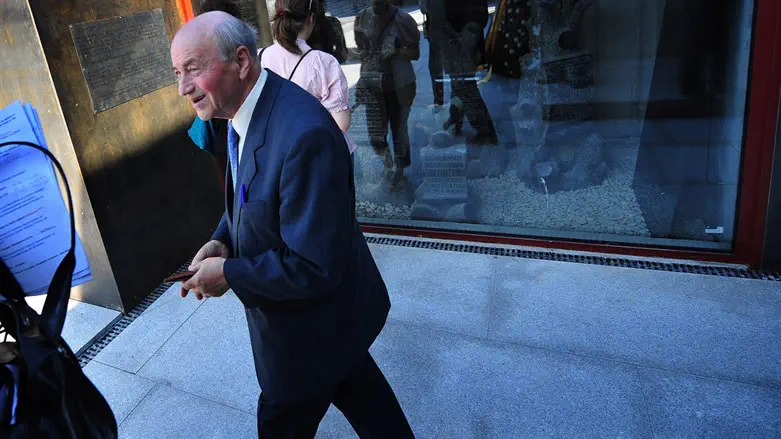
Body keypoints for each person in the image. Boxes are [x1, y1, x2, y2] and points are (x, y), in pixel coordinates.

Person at [170, 11, 414, 438]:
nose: (183, 87)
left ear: (242, 61)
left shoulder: (304, 135)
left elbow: (314, 266)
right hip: (332, 325)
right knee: (363, 393)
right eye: (177, 72)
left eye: (194, 68)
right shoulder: (244, 114)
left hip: (305, 333)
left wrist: (228, 274)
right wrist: (222, 241)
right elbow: (253, 194)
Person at [260, 0, 356, 154]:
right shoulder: (323, 62)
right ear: (311, 19)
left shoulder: (260, 58)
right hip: (323, 155)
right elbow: (341, 123)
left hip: (280, 156)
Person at [354, 0, 420, 190]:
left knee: (399, 131)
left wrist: (398, 50)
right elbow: (363, 53)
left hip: (398, 84)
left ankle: (400, 171)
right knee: (376, 133)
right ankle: (387, 164)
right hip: (373, 83)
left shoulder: (403, 19)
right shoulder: (362, 18)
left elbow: (415, 52)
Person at [421, 0, 498, 145]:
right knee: (457, 85)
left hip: (462, 43)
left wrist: (462, 38)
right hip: (450, 41)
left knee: (465, 88)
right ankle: (456, 116)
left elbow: (479, 15)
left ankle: (485, 130)